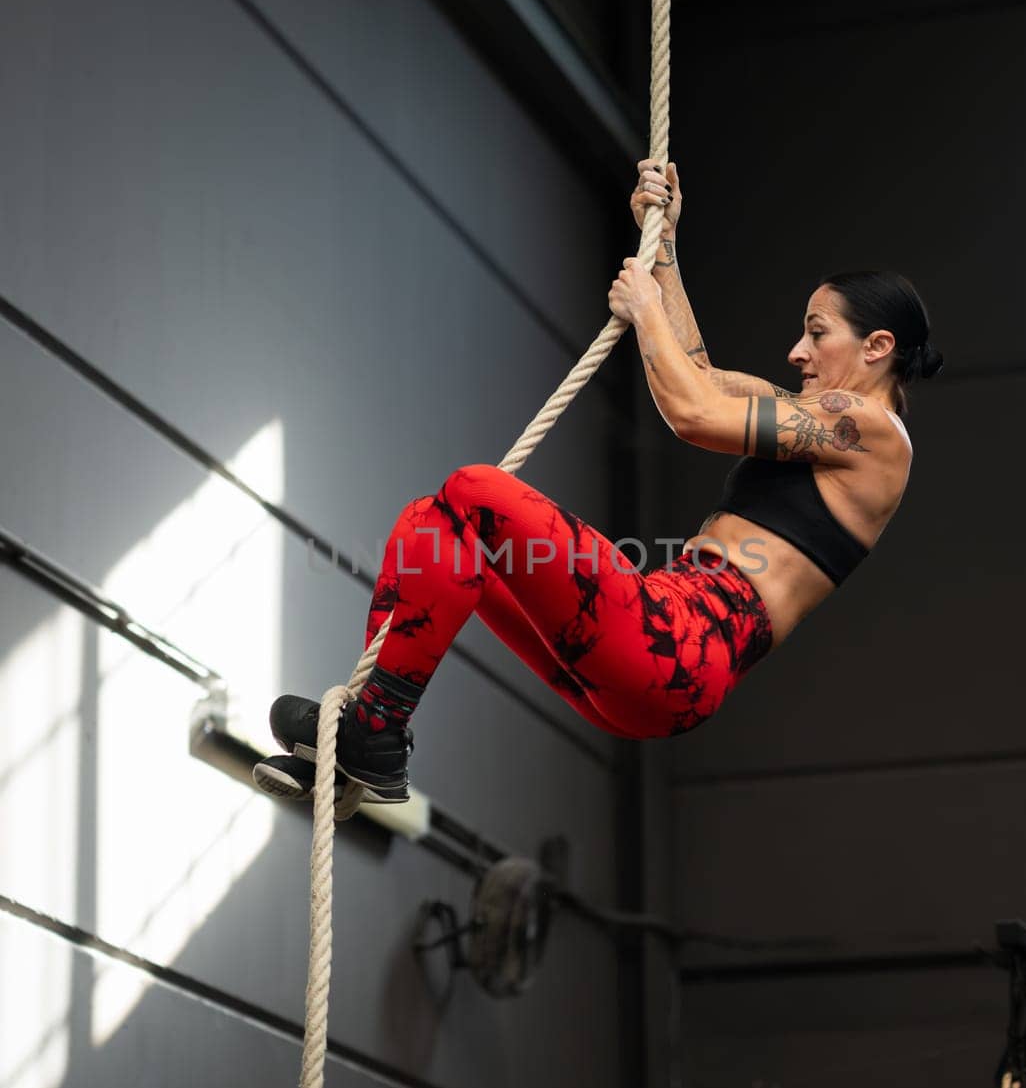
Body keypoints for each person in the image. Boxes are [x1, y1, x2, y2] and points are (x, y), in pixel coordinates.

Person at [253, 160, 941, 805]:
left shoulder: (870, 430)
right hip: (644, 660)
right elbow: (698, 378)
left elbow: (694, 414)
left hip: (678, 647)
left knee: (475, 488)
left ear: (875, 346)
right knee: (430, 527)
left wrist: (644, 308)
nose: (797, 351)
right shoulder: (811, 415)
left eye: (815, 333)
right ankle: (375, 731)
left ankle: (374, 737)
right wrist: (662, 246)